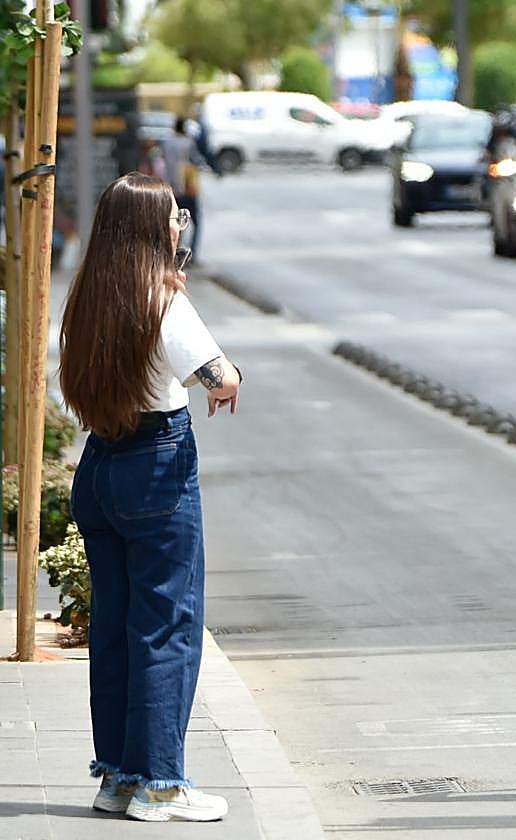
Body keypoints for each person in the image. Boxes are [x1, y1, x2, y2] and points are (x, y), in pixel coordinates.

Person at [59, 172, 243, 822]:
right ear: (149, 228)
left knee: (114, 626)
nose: (178, 225)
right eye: (173, 217)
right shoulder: (162, 299)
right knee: (166, 624)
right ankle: (161, 784)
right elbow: (218, 378)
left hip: (99, 466)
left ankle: (117, 777)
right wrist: (229, 375)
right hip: (156, 466)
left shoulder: (88, 296)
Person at [162, 117, 206, 261]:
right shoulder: (189, 143)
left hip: (171, 188)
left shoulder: (167, 142)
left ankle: (175, 252)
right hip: (188, 187)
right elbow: (196, 161)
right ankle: (191, 254)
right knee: (195, 222)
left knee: (175, 221)